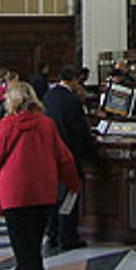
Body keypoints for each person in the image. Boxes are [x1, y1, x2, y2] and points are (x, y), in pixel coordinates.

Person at [0, 82, 79, 270]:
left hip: (15, 192)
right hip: (44, 190)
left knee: (21, 242)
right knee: (32, 240)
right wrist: (73, 183)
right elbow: (64, 157)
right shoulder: (47, 125)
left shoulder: (7, 126)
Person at [43, 65, 94, 252]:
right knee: (70, 196)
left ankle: (52, 234)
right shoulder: (71, 100)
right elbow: (79, 129)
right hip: (69, 152)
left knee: (54, 196)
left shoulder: (50, 96)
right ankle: (68, 236)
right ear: (74, 80)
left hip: (51, 151)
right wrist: (89, 147)